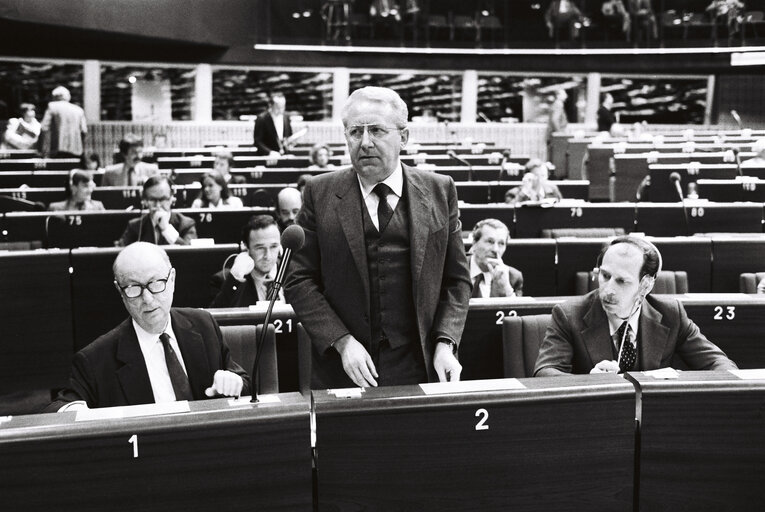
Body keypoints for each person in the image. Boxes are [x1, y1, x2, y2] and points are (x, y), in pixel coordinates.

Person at [284, 86, 471, 389]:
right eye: (355, 132)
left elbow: (457, 279)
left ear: (404, 137)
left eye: (377, 131)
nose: (365, 142)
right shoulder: (320, 192)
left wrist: (445, 343)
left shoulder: (440, 190)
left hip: (421, 364)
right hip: (343, 368)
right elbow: (298, 279)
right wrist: (342, 342)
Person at [46, 242, 250, 411]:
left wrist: (235, 383)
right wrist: (73, 412)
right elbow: (59, 408)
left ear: (172, 280)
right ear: (120, 291)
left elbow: (243, 381)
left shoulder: (203, 325)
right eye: (134, 288)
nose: (148, 299)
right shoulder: (96, 359)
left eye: (156, 283)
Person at [534, 236, 738, 376]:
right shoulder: (569, 315)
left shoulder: (671, 314)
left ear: (646, 285)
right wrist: (589, 380)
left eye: (622, 281)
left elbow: (720, 364)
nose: (608, 290)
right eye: (605, 276)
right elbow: (545, 372)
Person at [210, 215, 283, 308]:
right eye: (260, 248)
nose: (267, 256)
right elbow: (213, 319)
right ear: (246, 248)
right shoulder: (224, 280)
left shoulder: (292, 274)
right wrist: (235, 279)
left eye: (273, 247)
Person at [118, 176, 197, 246]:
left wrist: (166, 229)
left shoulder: (186, 224)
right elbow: (120, 255)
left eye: (163, 199)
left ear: (172, 199)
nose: (158, 205)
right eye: (152, 199)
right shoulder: (135, 226)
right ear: (145, 201)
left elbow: (191, 255)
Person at [470, 219, 523, 298]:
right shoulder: (455, 269)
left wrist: (507, 289)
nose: (495, 249)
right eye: (490, 241)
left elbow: (519, 309)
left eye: (501, 243)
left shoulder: (513, 277)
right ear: (474, 242)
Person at [39, 86, 87, 158]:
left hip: (57, 150)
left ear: (54, 97)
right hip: (76, 151)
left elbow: (44, 128)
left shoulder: (52, 106)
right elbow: (84, 131)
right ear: (68, 96)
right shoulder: (79, 110)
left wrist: (42, 150)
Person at [253, 92, 293, 157]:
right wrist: (270, 152)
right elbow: (257, 142)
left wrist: (290, 143)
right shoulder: (261, 119)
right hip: (267, 157)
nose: (281, 109)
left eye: (283, 106)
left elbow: (289, 135)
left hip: (283, 155)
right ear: (270, 105)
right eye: (278, 106)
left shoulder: (286, 117)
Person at [546, 88, 568, 159]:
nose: (566, 96)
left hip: (552, 134)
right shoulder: (558, 104)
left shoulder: (556, 104)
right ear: (558, 96)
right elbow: (555, 119)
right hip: (555, 135)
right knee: (557, 158)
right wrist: (559, 133)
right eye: (564, 94)